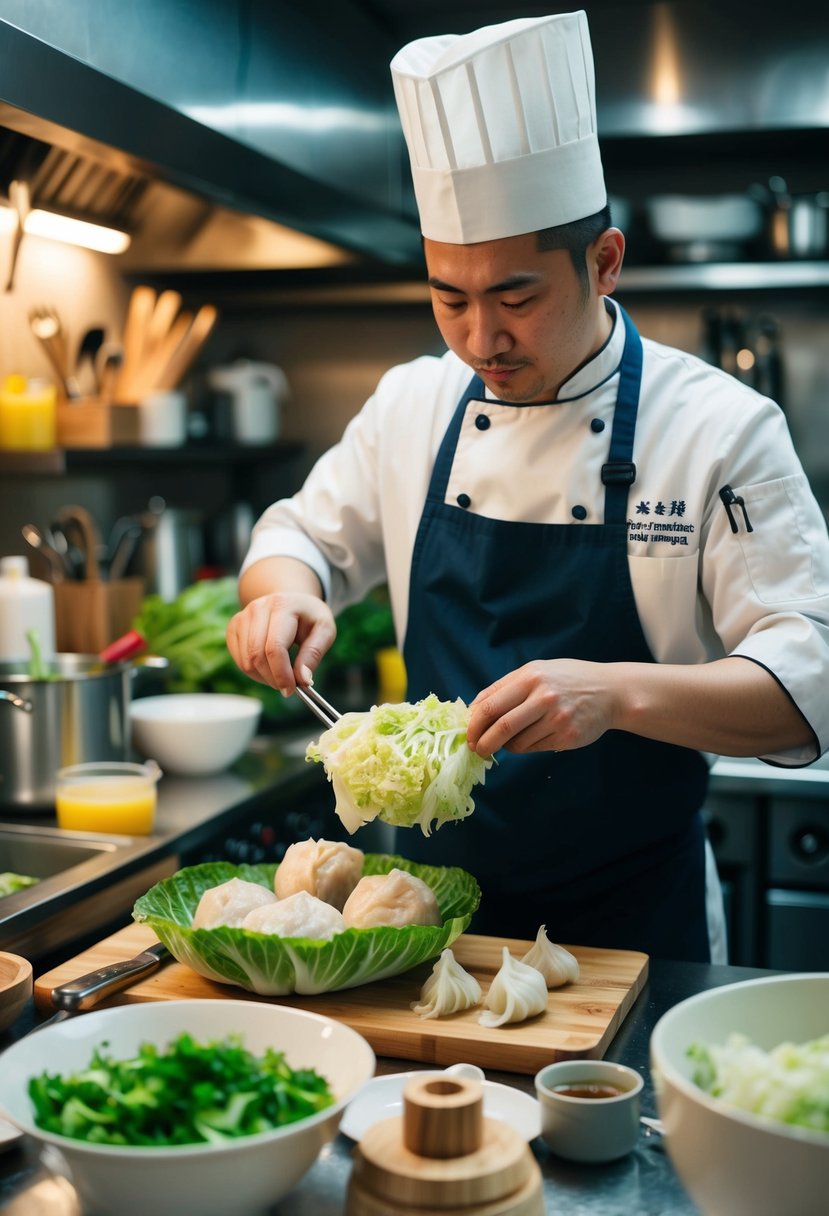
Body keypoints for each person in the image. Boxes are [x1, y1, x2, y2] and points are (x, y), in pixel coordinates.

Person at [227, 11, 829, 963]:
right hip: (426, 924)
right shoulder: (414, 403)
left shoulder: (718, 428)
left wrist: (616, 695)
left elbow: (810, 681)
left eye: (514, 297)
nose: (478, 339)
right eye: (447, 297)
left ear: (603, 262)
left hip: (636, 928)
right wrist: (283, 598)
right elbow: (298, 537)